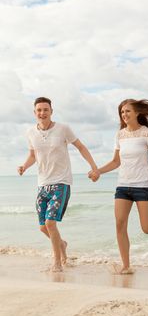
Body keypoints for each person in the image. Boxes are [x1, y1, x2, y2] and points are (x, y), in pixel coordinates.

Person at [89, 99, 148, 274]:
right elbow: (115, 162)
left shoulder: (146, 133)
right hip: (122, 186)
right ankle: (126, 266)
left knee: (147, 228)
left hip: (143, 186)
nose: (124, 115)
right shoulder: (120, 135)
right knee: (120, 224)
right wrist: (98, 171)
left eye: (128, 111)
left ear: (137, 113)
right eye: (122, 112)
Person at [18, 97, 99, 272]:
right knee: (42, 227)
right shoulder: (30, 133)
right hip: (42, 184)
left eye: (45, 109)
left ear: (51, 111)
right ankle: (61, 244)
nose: (42, 113)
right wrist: (24, 166)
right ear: (34, 113)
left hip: (61, 182)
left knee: (50, 223)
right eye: (39, 110)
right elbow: (33, 155)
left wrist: (94, 167)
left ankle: (57, 262)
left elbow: (81, 147)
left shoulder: (63, 129)